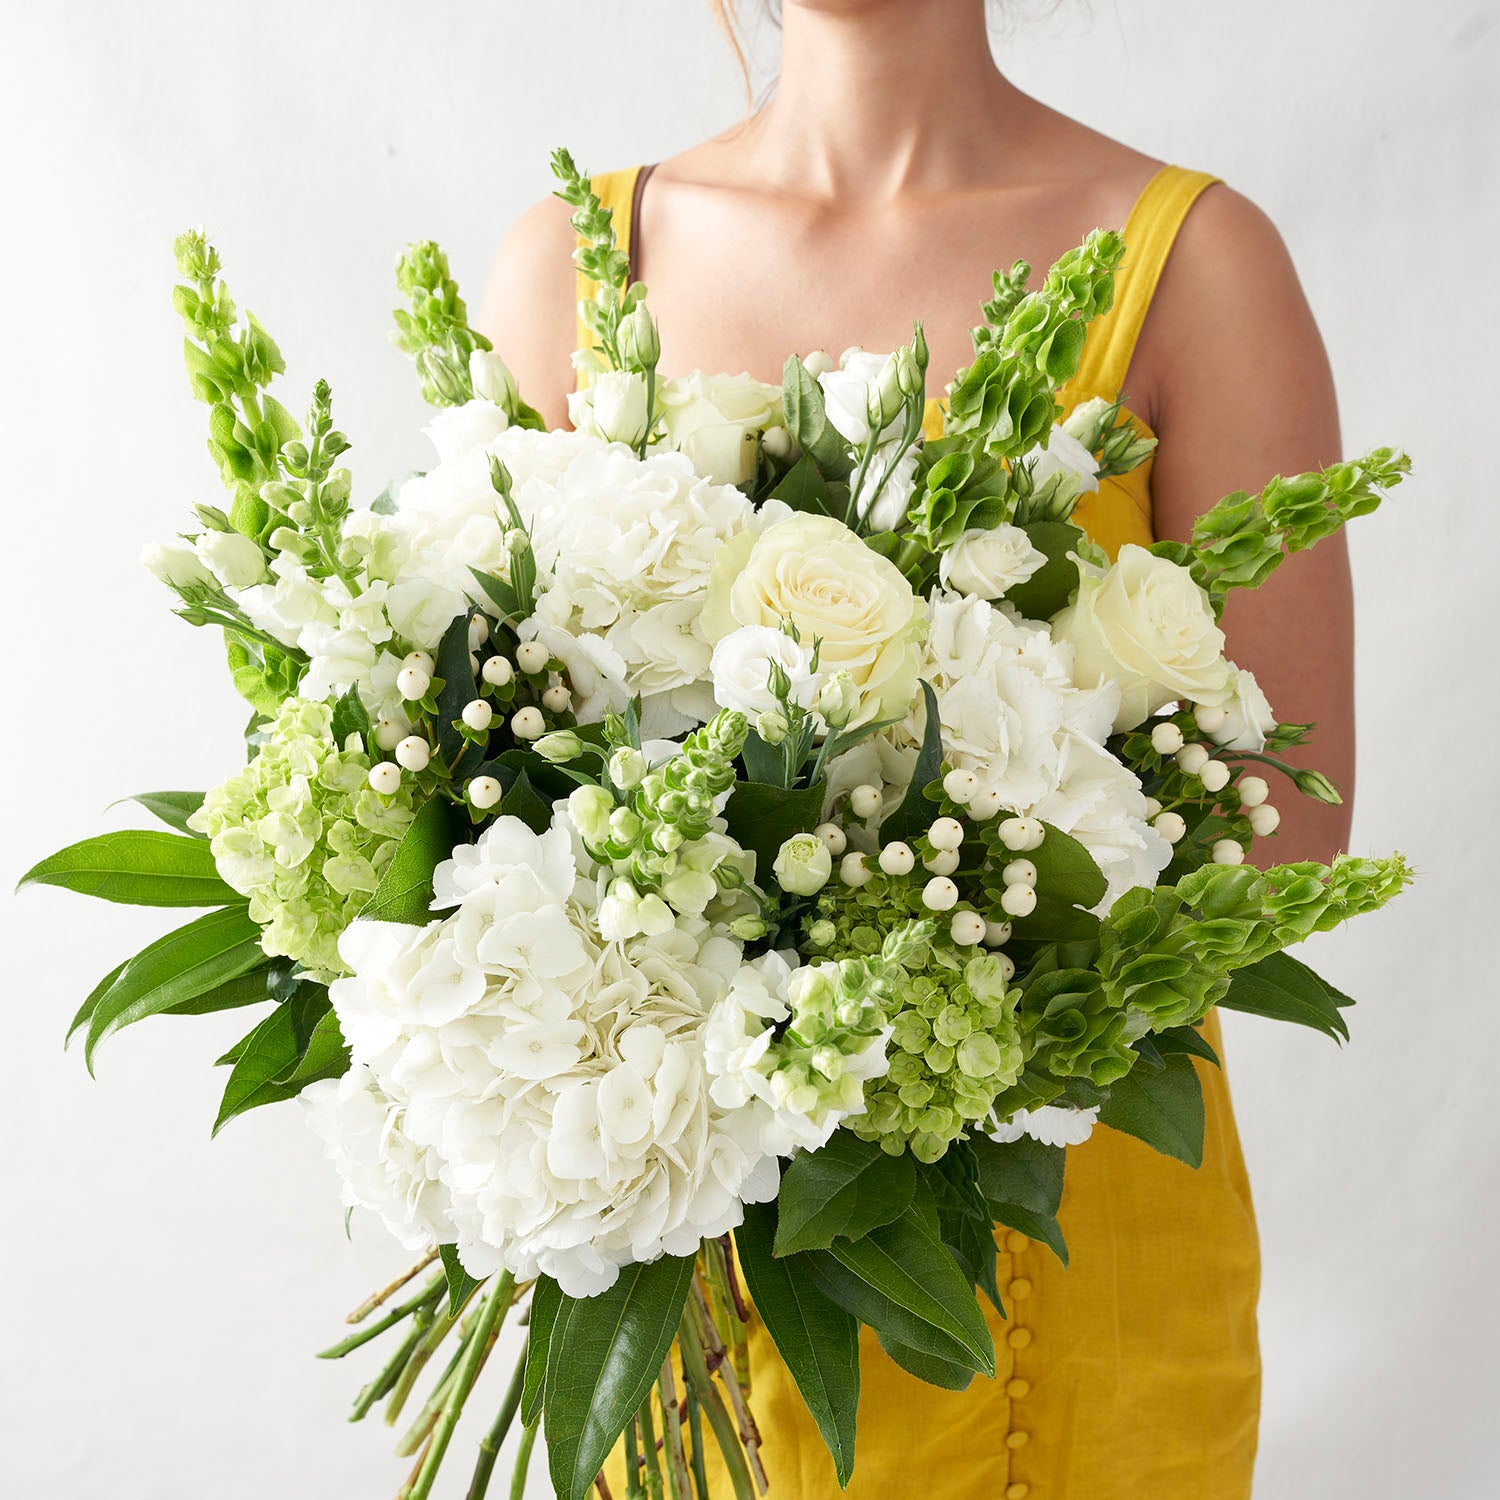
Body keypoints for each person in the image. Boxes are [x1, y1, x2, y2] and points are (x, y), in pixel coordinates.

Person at [479, 3, 1354, 1495]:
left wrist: (934, 883)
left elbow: (1288, 826)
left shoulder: (1197, 263)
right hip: (670, 1265)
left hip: (1067, 1261)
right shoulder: (571, 262)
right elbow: (477, 753)